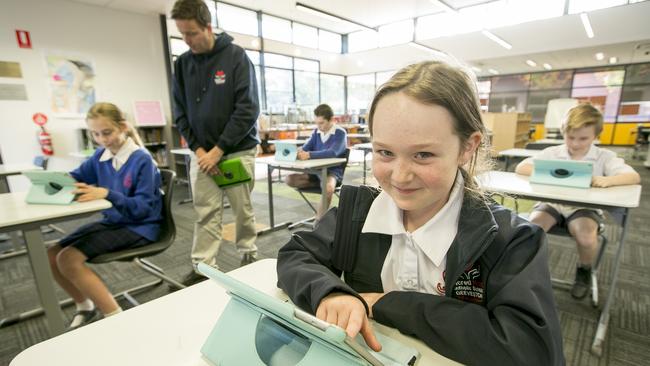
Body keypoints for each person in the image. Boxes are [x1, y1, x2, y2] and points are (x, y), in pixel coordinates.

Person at [277, 61, 565, 365]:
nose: (400, 177)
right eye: (385, 152)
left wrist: (392, 305)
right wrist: (331, 292)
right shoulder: (357, 213)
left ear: (468, 147)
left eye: (423, 155)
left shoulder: (511, 240)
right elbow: (295, 254)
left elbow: (532, 349)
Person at [47, 102, 162, 330]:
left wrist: (109, 194)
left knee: (68, 259)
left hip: (141, 226)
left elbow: (144, 209)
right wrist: (59, 180)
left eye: (107, 132)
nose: (102, 139)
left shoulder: (142, 159)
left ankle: (116, 319)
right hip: (116, 222)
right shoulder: (102, 154)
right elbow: (77, 176)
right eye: (96, 134)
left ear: (122, 127)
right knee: (51, 254)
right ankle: (85, 306)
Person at [171, 0, 260, 286]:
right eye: (182, 34)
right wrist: (200, 151)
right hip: (202, 156)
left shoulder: (235, 56)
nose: (188, 40)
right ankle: (203, 265)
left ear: (208, 26)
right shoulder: (183, 64)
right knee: (205, 213)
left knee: (242, 212)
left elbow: (247, 108)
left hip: (235, 150)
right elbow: (180, 113)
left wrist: (218, 150)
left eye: (192, 33)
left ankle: (249, 255)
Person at [515, 103, 640, 299]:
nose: (575, 143)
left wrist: (609, 180)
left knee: (586, 237)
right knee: (531, 230)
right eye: (570, 137)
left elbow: (633, 177)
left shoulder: (604, 157)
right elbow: (521, 168)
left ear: (595, 136)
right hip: (552, 203)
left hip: (583, 207)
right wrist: (547, 172)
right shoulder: (553, 152)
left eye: (583, 138)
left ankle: (584, 271)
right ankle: (527, 272)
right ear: (564, 132)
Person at [285, 104, 347, 218]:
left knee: (328, 188)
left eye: (321, 123)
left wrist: (309, 155)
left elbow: (333, 152)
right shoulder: (316, 133)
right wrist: (298, 152)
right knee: (289, 179)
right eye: (317, 123)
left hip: (332, 172)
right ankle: (318, 183)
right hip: (315, 172)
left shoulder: (340, 133)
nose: (319, 126)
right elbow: (305, 148)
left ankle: (318, 223)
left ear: (331, 120)